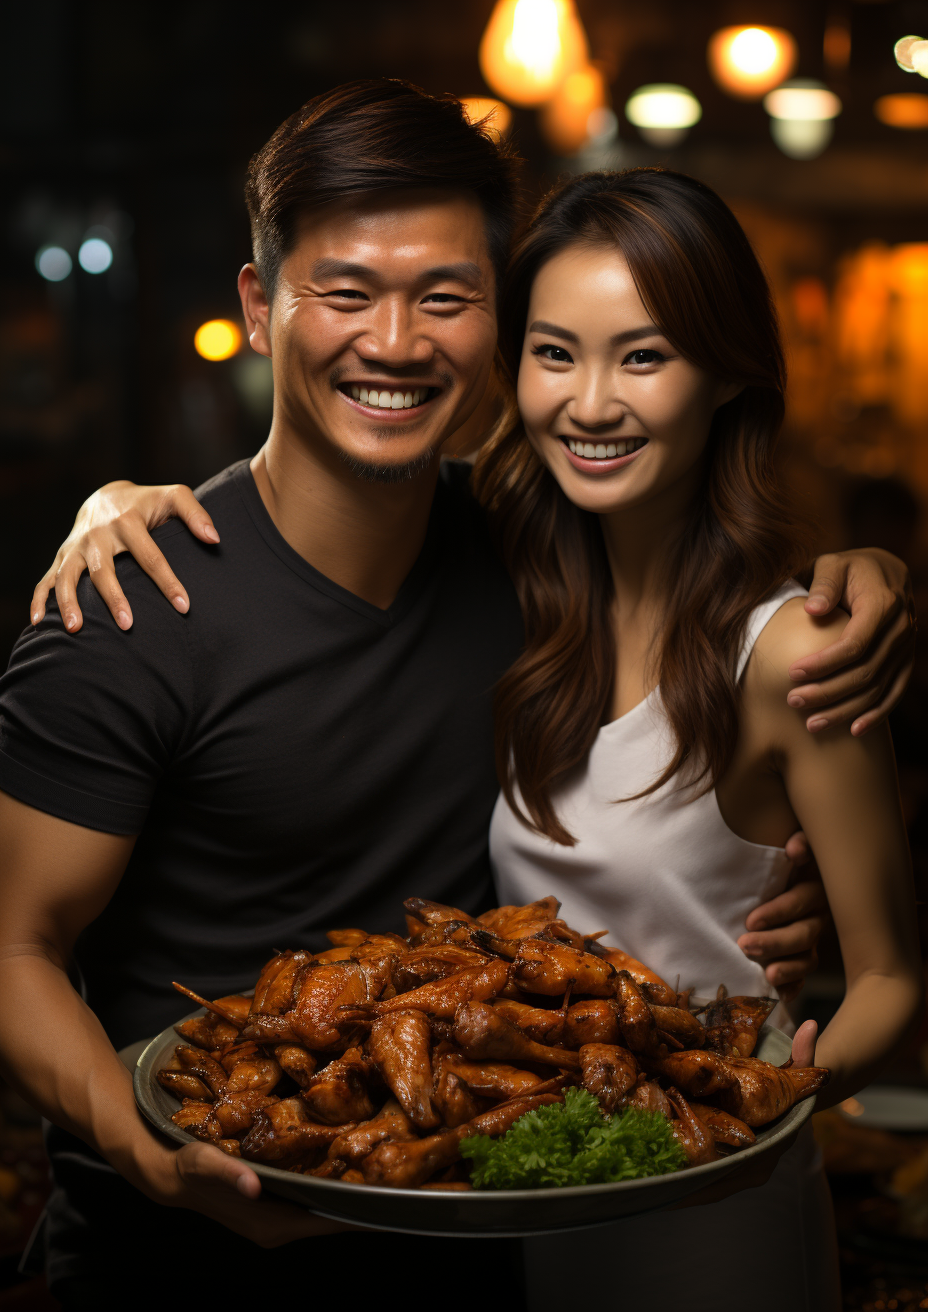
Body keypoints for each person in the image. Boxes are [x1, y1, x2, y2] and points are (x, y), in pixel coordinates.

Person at [0, 81, 914, 1304]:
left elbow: (699, 629)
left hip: (485, 1251)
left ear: (492, 330)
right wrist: (143, 1146)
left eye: (446, 297)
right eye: (344, 291)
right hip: (180, 1263)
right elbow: (13, 944)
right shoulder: (132, 608)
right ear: (258, 312)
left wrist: (866, 577)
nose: (394, 340)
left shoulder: (530, 566)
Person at [470, 168, 923, 1309]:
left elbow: (887, 977)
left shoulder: (786, 652)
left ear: (724, 373)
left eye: (644, 355)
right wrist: (115, 501)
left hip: (713, 1220)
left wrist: (747, 1101)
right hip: (541, 1199)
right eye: (554, 351)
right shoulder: (521, 604)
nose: (588, 402)